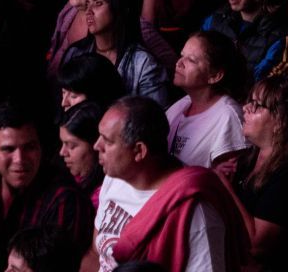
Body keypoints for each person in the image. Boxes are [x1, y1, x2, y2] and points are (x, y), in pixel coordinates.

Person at [89, 95, 248, 271]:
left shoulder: (193, 212)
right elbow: (97, 253)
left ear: (139, 151)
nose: (97, 146)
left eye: (108, 141)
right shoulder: (115, 176)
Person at [0, 103, 93, 256]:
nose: (20, 159)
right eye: (8, 149)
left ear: (40, 148)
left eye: (29, 147)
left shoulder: (64, 200)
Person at [232, 73, 288, 270]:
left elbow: (257, 245)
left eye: (256, 105)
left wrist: (221, 186)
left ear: (281, 119)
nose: (245, 108)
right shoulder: (248, 158)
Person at [62, 0, 171, 106]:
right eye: (87, 5)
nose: (88, 11)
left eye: (97, 3)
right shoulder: (75, 53)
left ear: (118, 7)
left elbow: (155, 117)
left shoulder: (144, 63)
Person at [167, 30, 248, 169]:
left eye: (191, 60)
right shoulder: (181, 105)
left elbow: (223, 182)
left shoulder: (228, 117)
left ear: (215, 76)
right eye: (182, 56)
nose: (179, 63)